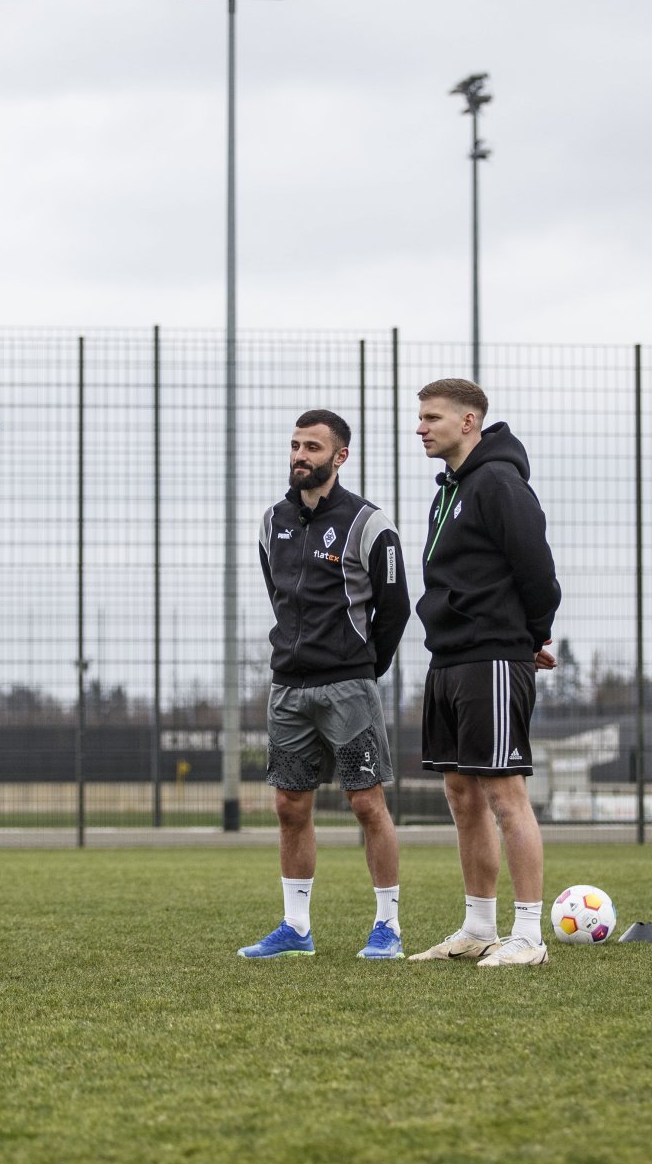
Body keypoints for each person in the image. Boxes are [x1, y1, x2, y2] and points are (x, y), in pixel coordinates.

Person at [237, 410, 411, 961]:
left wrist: (364, 666)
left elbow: (395, 609)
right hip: (287, 688)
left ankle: (388, 927)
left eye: (312, 447)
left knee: (367, 804)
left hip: (348, 687)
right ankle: (296, 928)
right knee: (290, 806)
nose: (299, 456)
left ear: (340, 456)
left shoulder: (369, 523)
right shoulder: (272, 521)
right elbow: (278, 594)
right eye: (295, 445)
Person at [406, 379, 560, 969]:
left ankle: (528, 936)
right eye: (420, 417)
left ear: (468, 422)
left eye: (432, 417)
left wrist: (527, 638)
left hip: (491, 655)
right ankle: (477, 927)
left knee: (503, 792)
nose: (421, 427)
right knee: (461, 793)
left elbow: (538, 571)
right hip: (448, 658)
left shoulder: (498, 482)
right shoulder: (449, 490)